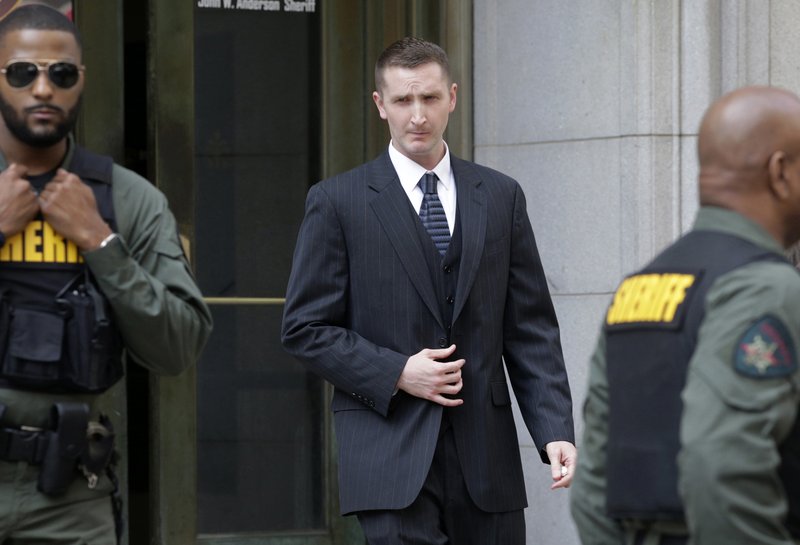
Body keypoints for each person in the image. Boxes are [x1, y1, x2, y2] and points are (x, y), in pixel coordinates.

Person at [281, 36, 576, 544]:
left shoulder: (501, 196)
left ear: (452, 97)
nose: (417, 115)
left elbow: (528, 327)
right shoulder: (337, 202)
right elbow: (305, 329)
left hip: (487, 460)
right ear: (380, 105)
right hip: (390, 456)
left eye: (430, 98)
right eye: (402, 100)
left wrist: (553, 427)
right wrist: (397, 372)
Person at [0, 5, 212, 544]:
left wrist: (100, 242)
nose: (43, 88)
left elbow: (178, 347)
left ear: (81, 82)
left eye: (62, 74)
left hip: (69, 496)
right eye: (23, 72)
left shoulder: (130, 200)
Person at [570, 85, 800, 545]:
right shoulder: (768, 287)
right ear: (780, 173)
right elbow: (720, 465)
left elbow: (593, 486)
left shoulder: (638, 288)